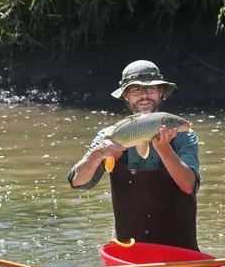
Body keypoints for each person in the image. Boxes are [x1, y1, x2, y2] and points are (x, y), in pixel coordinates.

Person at [68, 60, 200, 250]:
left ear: (161, 93)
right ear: (126, 97)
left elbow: (189, 186)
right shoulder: (110, 134)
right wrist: (98, 153)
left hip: (179, 250)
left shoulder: (182, 135)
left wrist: (163, 148)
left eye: (151, 89)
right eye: (136, 90)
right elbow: (78, 182)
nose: (144, 96)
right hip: (128, 249)